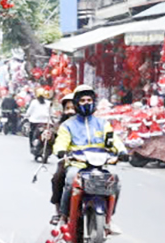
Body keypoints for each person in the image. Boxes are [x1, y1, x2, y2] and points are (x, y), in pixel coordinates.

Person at [52, 84, 122, 234]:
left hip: (100, 164)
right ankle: (64, 217)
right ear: (77, 102)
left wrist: (122, 151)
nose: (86, 103)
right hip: (77, 163)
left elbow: (114, 140)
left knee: (115, 182)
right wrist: (60, 151)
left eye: (89, 99)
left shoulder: (103, 124)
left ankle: (109, 220)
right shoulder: (67, 125)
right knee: (70, 180)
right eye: (82, 100)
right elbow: (60, 143)